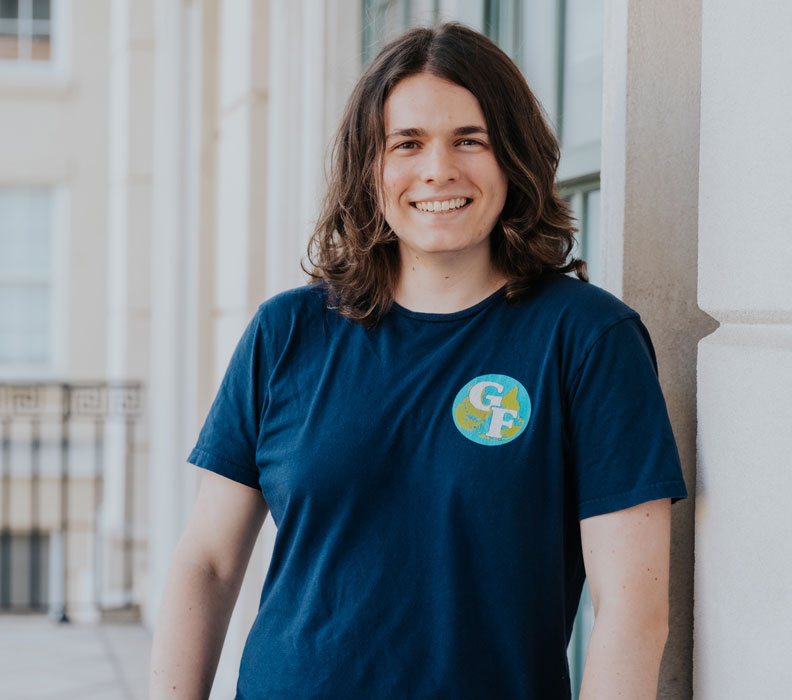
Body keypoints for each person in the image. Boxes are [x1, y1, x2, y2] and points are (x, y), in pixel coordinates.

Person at [150, 22, 687, 700]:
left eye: (471, 140)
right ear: (369, 167)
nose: (439, 170)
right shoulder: (286, 333)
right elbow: (207, 563)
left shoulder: (587, 339)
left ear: (513, 159)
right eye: (407, 143)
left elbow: (632, 611)